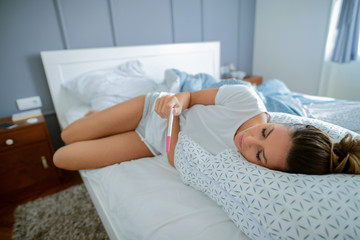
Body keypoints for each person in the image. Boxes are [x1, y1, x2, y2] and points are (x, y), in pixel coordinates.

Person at [53, 85, 360, 174]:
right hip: (151, 107)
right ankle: (100, 115)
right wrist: (174, 103)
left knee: (62, 157)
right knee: (67, 133)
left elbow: (175, 158)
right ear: (283, 124)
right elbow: (189, 97)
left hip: (149, 142)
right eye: (266, 133)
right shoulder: (244, 98)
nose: (247, 141)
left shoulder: (242, 169)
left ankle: (102, 121)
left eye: (260, 154)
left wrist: (170, 129)